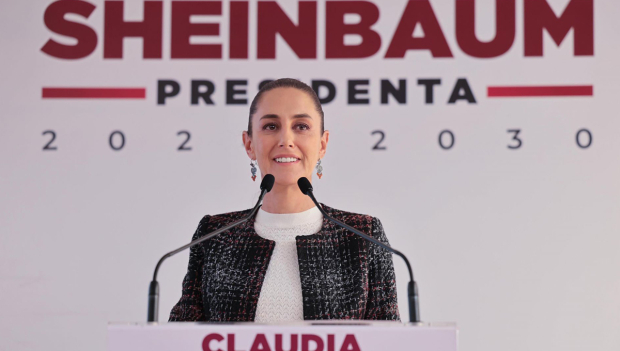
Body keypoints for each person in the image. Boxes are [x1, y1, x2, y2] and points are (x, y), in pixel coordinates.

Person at [169, 78, 399, 322]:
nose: (285, 140)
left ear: (322, 144)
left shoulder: (362, 235)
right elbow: (182, 335)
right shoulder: (215, 234)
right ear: (249, 144)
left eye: (301, 126)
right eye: (270, 126)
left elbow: (389, 340)